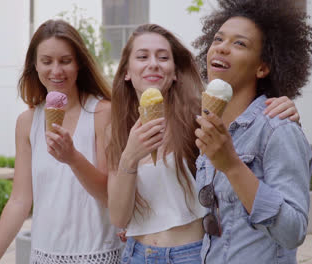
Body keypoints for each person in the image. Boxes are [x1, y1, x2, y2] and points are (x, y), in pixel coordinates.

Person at [107, 23, 301, 264]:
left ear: (175, 71)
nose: (153, 63)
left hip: (189, 254)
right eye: (142, 56)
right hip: (135, 255)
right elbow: (118, 217)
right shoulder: (117, 128)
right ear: (126, 70)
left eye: (163, 57)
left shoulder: (199, 118)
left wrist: (283, 105)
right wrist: (129, 157)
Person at [0, 19, 121, 264]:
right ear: (34, 65)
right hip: (44, 255)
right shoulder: (27, 122)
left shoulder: (102, 113)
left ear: (79, 64)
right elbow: (19, 200)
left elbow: (109, 196)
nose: (56, 71)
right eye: (47, 61)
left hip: (96, 254)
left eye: (65, 61)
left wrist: (73, 159)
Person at [192, 0, 312, 263]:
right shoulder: (211, 126)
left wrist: (233, 166)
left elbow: (293, 231)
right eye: (218, 39)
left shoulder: (278, 129)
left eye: (240, 43)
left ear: (263, 67)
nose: (222, 48)